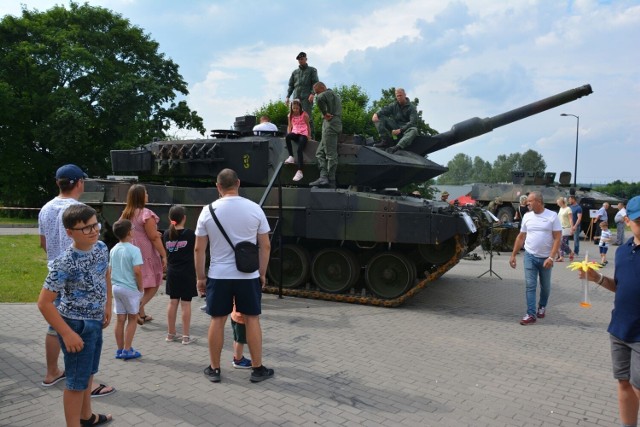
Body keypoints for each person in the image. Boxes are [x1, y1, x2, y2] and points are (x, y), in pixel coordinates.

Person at [38, 164, 115, 398]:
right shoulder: (81, 210)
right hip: (79, 280)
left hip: (55, 274)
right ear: (79, 182)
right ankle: (86, 385)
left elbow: (43, 243)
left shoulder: (46, 208)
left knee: (55, 327)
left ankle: (52, 372)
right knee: (82, 332)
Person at [194, 168, 274, 383]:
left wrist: (201, 278)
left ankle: (214, 368)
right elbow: (265, 246)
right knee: (252, 319)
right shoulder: (255, 209)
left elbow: (199, 249)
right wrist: (262, 273)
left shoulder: (207, 211)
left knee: (217, 319)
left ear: (218, 187)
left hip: (219, 275)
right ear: (238, 183)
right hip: (248, 276)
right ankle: (257, 369)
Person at [577, 195, 640, 427]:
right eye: (639, 220)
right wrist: (597, 278)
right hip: (620, 329)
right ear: (628, 220)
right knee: (624, 383)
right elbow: (620, 288)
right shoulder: (623, 251)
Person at [509, 191, 562, 325]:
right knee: (530, 285)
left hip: (546, 259)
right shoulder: (527, 216)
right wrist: (513, 255)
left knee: (545, 287)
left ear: (538, 201)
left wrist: (551, 257)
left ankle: (542, 306)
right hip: (530, 256)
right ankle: (530, 314)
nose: (527, 204)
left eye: (530, 201)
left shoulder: (552, 216)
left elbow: (557, 238)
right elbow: (521, 237)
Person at [120, 184, 167, 325]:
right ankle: (137, 307)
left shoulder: (126, 213)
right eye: (145, 193)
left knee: (139, 282)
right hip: (145, 251)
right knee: (154, 283)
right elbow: (153, 237)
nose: (147, 195)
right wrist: (164, 255)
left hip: (130, 250)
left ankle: (142, 314)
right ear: (141, 196)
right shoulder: (146, 213)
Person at [163, 205, 198, 345]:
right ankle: (185, 336)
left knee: (172, 302)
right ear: (184, 218)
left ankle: (171, 334)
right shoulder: (190, 234)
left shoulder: (166, 234)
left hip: (172, 273)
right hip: (187, 272)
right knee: (186, 304)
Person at [109, 219, 144, 360]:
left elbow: (110, 269)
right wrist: (140, 287)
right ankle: (127, 349)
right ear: (130, 232)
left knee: (120, 319)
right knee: (133, 318)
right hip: (129, 288)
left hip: (116, 287)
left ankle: (119, 349)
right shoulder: (134, 250)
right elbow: (137, 271)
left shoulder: (113, 249)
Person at [308, 82, 342, 189]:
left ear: (323, 88)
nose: (317, 94)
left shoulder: (324, 94)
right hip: (333, 123)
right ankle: (323, 177)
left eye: (317, 91)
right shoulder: (334, 95)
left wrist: (324, 112)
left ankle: (331, 180)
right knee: (320, 152)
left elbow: (319, 99)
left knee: (330, 154)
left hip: (331, 124)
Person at [372, 88, 418, 153]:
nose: (399, 97)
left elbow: (413, 122)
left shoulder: (411, 107)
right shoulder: (394, 105)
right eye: (397, 96)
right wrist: (376, 114)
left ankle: (397, 147)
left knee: (414, 130)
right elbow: (385, 110)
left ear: (405, 95)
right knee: (379, 117)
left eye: (400, 95)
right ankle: (385, 140)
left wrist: (400, 130)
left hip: (406, 129)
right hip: (395, 127)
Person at [285, 51, 319, 136]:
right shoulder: (295, 72)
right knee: (293, 116)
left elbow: (315, 83)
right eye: (299, 59)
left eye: (302, 59)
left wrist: (312, 94)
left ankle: (311, 137)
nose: (300, 60)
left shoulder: (312, 70)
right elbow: (291, 85)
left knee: (307, 117)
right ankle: (293, 135)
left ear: (306, 59)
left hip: (306, 97)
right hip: (296, 98)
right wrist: (288, 96)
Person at [284, 99, 310, 182]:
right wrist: (289, 133)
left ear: (300, 108)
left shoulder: (304, 115)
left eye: (297, 108)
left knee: (299, 150)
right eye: (293, 108)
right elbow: (289, 126)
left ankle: (300, 171)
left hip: (303, 133)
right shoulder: (290, 115)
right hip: (295, 132)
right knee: (287, 137)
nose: (295, 110)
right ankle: (291, 156)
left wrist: (309, 135)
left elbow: (308, 125)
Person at [230, 303, 252, 369]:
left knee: (236, 338)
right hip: (241, 318)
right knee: (240, 341)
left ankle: (236, 356)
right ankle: (238, 360)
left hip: (234, 315)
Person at [556, 196, 575, 262]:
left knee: (562, 242)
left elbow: (570, 219)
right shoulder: (561, 209)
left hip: (566, 227)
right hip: (560, 227)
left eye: (558, 202)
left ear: (562, 202)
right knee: (561, 243)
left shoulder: (568, 209)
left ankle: (562, 257)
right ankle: (570, 252)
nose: (557, 203)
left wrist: (572, 228)